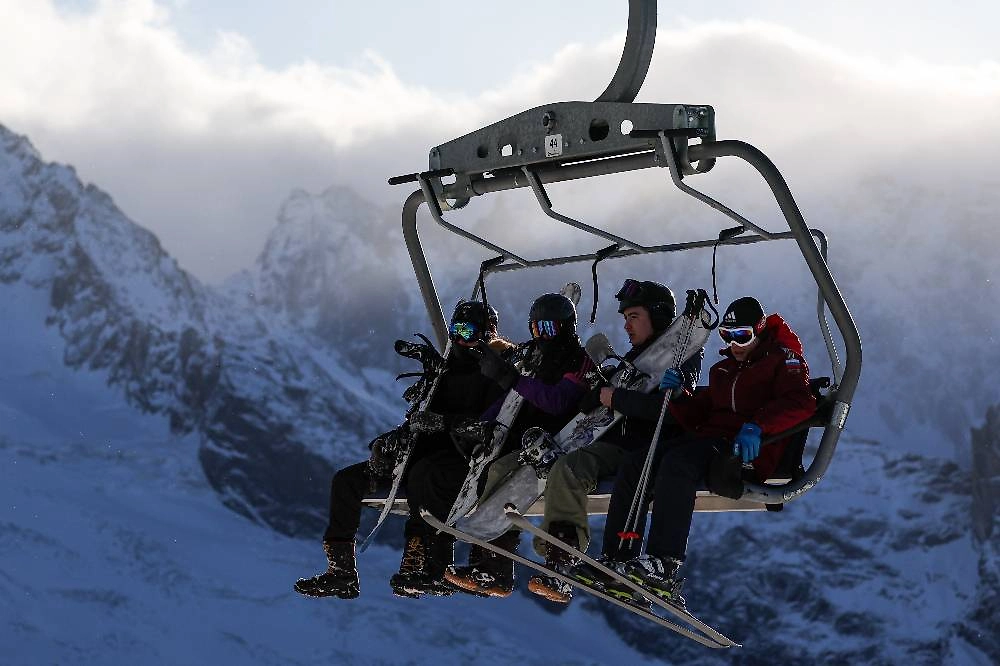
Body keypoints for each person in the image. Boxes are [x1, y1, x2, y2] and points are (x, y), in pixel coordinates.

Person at [605, 296, 817, 608]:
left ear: (759, 331)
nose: (735, 344)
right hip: (709, 441)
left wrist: (757, 426)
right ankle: (617, 557)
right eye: (727, 336)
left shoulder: (783, 362)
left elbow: (802, 402)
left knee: (678, 464)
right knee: (640, 462)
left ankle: (665, 563)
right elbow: (702, 412)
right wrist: (679, 396)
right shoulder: (724, 370)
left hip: (741, 452)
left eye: (742, 336)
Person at [293, 300, 510, 599]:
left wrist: (444, 423)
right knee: (346, 482)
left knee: (426, 475)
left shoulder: (499, 375)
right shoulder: (444, 372)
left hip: (462, 460)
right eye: (456, 331)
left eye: (469, 331)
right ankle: (341, 573)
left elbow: (493, 430)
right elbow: (419, 420)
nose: (460, 339)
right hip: (419, 455)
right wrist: (392, 444)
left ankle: (428, 564)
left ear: (487, 334)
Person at [522, 279, 703, 604]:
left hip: (650, 448)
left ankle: (629, 563)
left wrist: (615, 398)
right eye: (625, 317)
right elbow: (612, 399)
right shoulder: (636, 357)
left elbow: (671, 410)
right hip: (620, 443)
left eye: (634, 316)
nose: (626, 324)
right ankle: (561, 558)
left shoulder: (681, 358)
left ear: (658, 317)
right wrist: (597, 395)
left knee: (617, 471)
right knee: (567, 468)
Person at [443, 292, 598, 598]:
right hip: (530, 443)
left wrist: (510, 378)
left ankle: (552, 566)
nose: (542, 336)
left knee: (524, 476)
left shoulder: (578, 360)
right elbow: (511, 401)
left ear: (566, 328)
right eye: (536, 329)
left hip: (566, 439)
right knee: (498, 468)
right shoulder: (535, 357)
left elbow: (557, 401)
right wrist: (484, 424)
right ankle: (493, 564)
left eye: (549, 329)